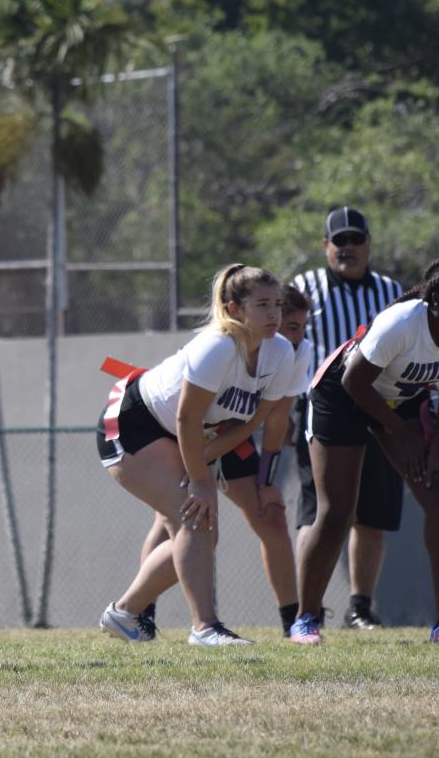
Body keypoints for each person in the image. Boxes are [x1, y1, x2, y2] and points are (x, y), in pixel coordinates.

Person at [292, 255, 439, 645]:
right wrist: (399, 431)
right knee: (336, 512)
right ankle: (305, 619)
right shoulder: (402, 322)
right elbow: (354, 381)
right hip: (343, 395)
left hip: (401, 401)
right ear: (435, 301)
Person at [96, 264, 297, 647]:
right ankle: (204, 628)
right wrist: (200, 481)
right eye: (262, 305)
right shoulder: (219, 346)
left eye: (277, 304)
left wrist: (201, 462)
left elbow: (250, 423)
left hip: (180, 433)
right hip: (132, 422)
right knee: (197, 518)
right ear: (234, 309)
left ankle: (125, 612)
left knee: (199, 523)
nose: (274, 314)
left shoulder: (280, 352)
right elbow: (187, 417)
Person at [291, 207, 405, 630]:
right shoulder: (305, 288)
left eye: (356, 240)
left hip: (379, 405)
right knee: (316, 513)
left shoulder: (391, 291)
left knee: (372, 514)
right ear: (325, 246)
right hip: (323, 412)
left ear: (369, 244)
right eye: (340, 241)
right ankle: (307, 609)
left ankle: (360, 607)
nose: (348, 248)